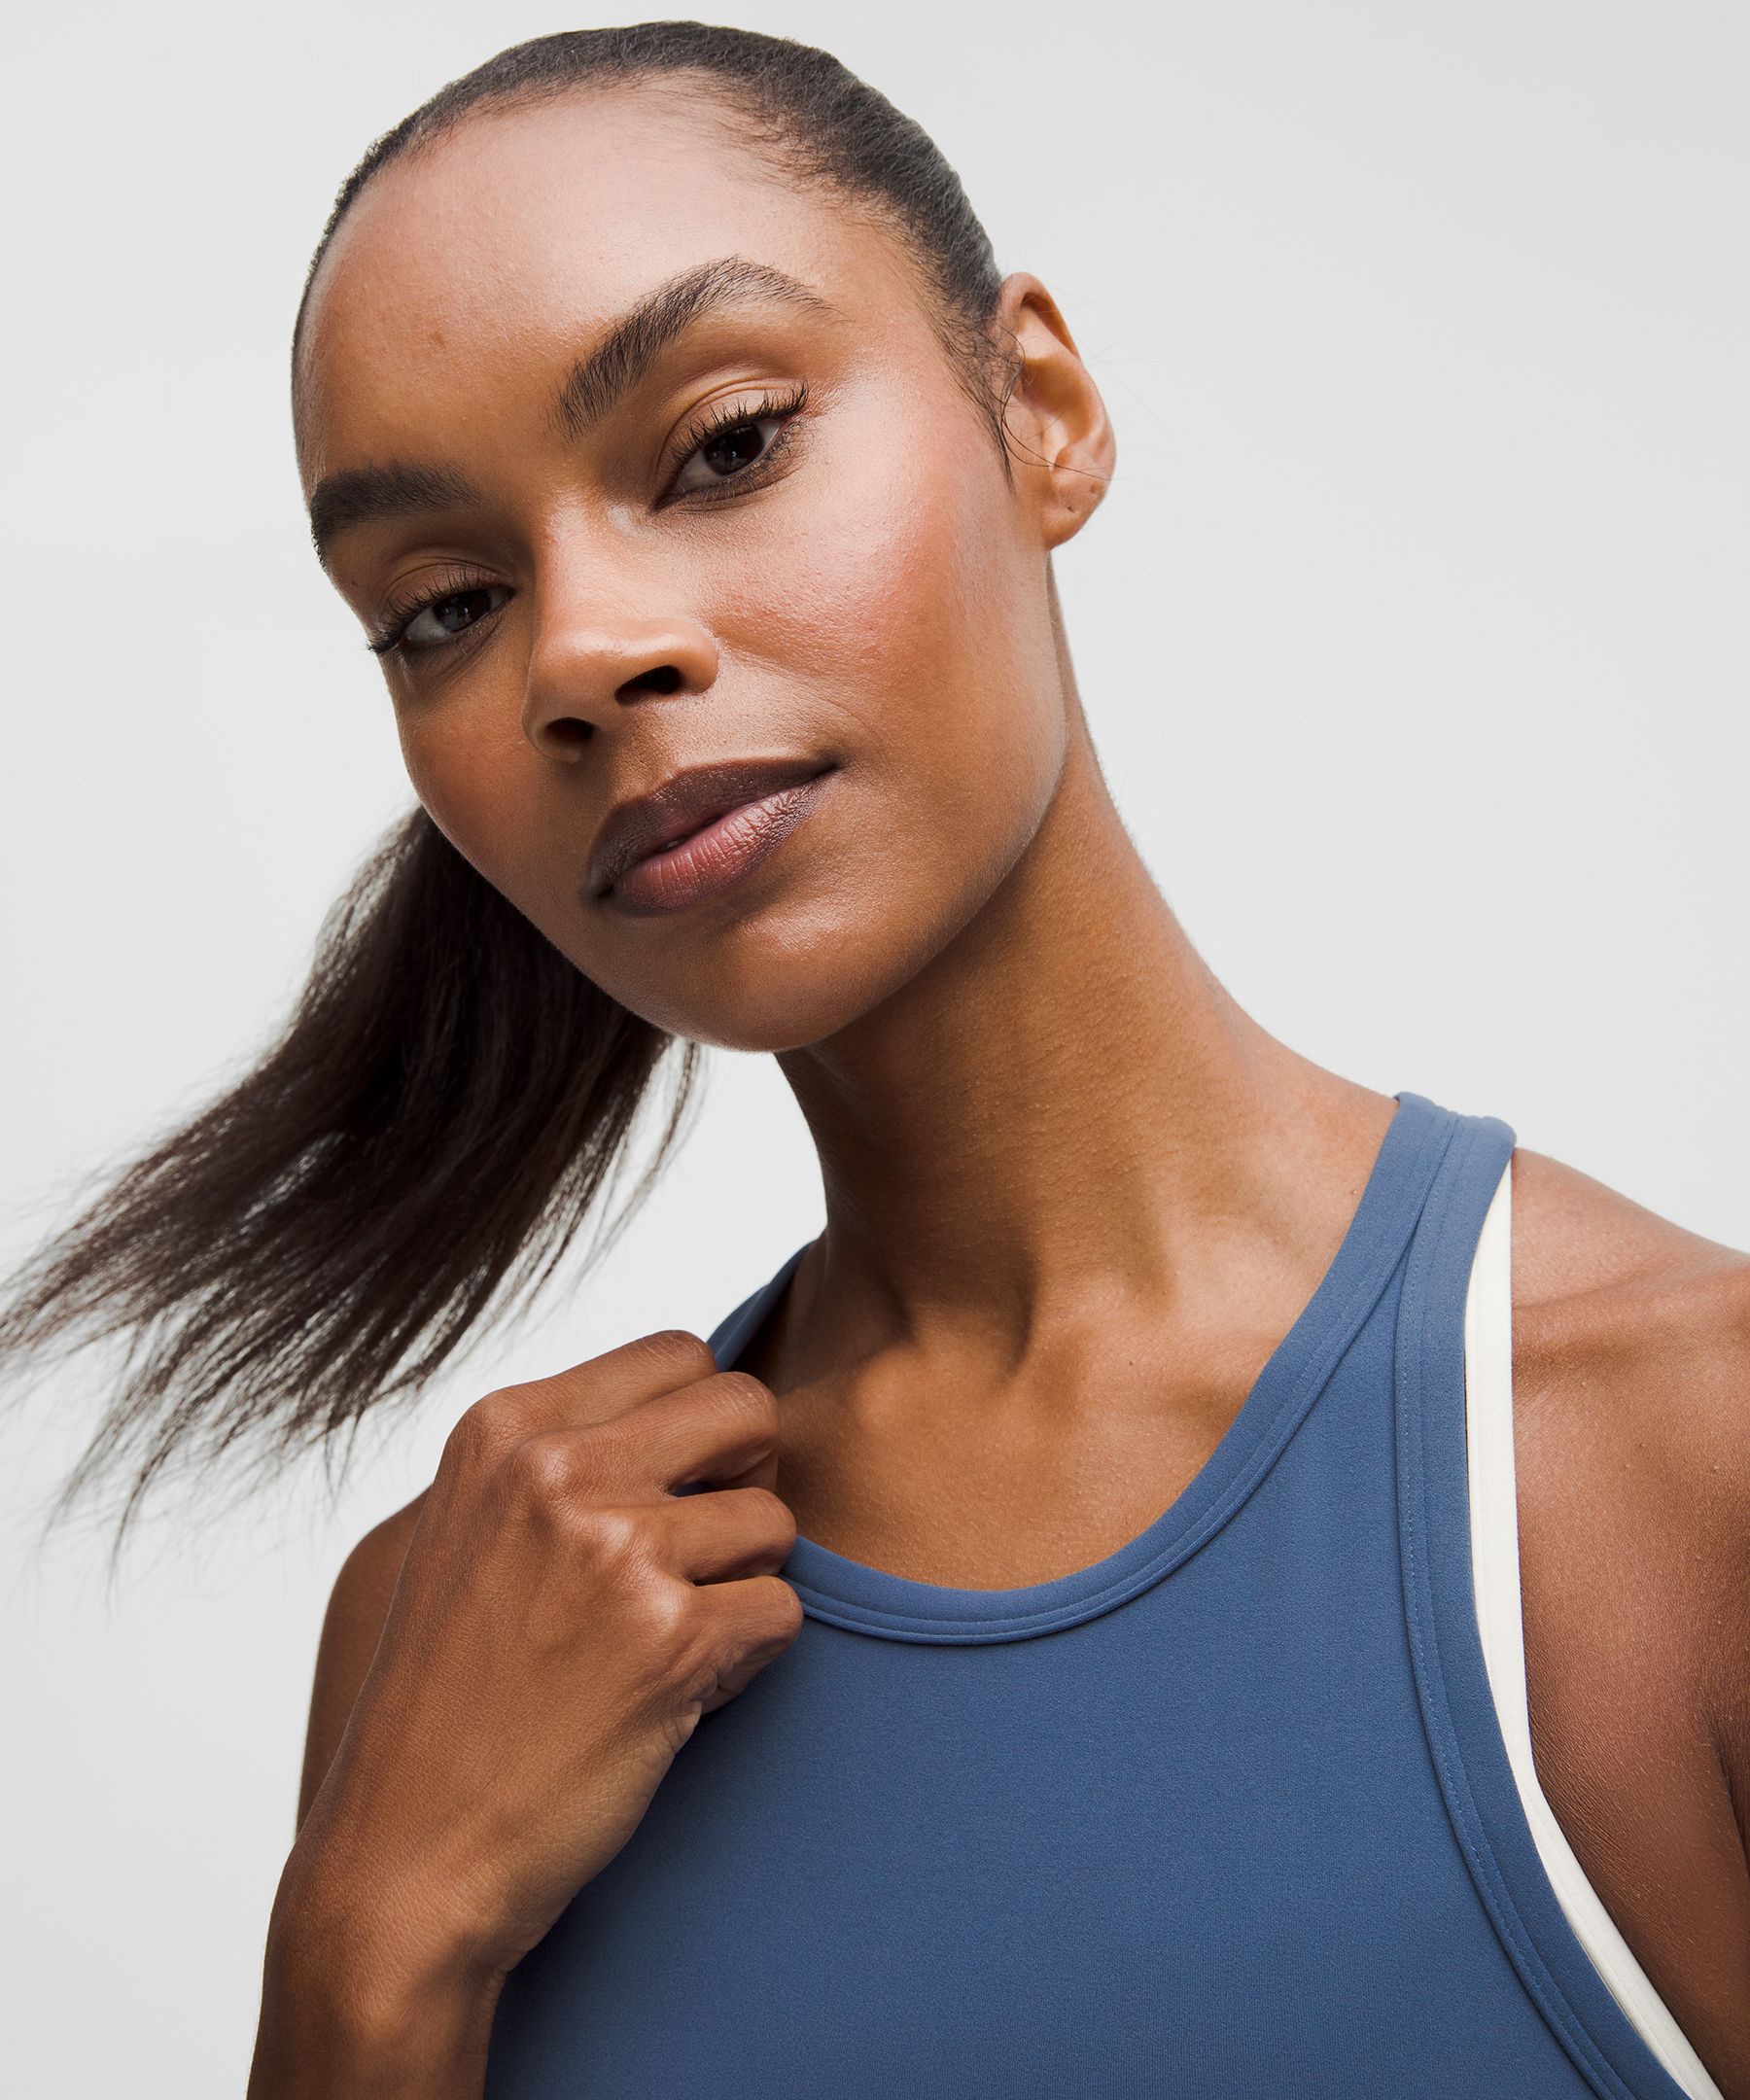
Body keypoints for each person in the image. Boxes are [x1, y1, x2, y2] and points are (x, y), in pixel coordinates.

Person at [1, 21, 1742, 2099]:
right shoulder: (451, 1641)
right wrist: (375, 1943)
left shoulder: (1679, 1464)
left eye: (725, 443)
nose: (582, 653)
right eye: (446, 605)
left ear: (1043, 413)